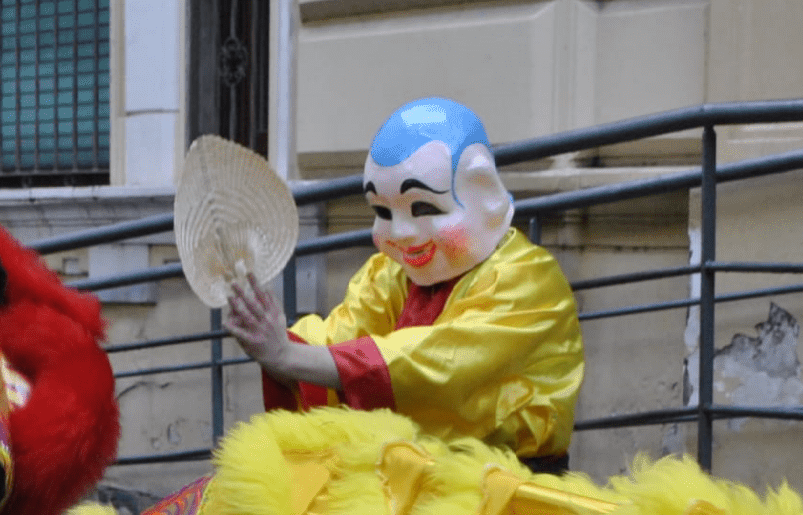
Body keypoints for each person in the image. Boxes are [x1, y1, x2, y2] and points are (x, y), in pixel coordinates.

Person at [224, 96, 584, 470]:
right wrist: (275, 339)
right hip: (407, 480)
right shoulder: (389, 272)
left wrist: (288, 355)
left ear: (482, 191)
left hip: (509, 493)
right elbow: (345, 335)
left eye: (424, 207)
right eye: (382, 211)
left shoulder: (526, 280)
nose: (401, 233)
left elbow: (437, 366)